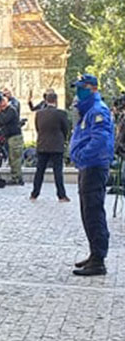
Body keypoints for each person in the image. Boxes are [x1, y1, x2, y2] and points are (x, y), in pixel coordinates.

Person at [69, 74, 114, 277]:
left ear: (93, 88)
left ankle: (98, 260)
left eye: (82, 88)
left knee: (93, 211)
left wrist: (83, 155)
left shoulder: (98, 111)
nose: (78, 92)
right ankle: (94, 253)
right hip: (87, 166)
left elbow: (100, 141)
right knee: (87, 211)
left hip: (94, 166)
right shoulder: (88, 110)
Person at [29, 90, 71, 202]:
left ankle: (34, 194)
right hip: (56, 145)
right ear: (56, 101)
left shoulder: (39, 113)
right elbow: (66, 129)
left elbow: (38, 128)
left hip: (42, 144)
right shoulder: (61, 113)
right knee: (58, 172)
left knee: (39, 171)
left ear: (46, 100)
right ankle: (61, 195)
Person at [0, 93, 24, 185]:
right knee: (12, 158)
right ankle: (15, 177)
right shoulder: (6, 111)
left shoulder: (11, 110)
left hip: (15, 137)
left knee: (15, 158)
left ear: (5, 102)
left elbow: (4, 120)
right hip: (10, 137)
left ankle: (17, 179)